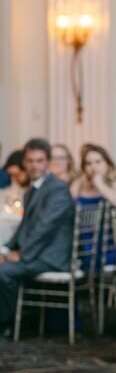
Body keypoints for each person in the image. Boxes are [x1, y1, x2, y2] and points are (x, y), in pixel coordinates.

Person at [0, 139, 75, 336]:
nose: (34, 165)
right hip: (37, 253)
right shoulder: (33, 190)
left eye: (39, 161)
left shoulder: (57, 189)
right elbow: (24, 227)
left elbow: (44, 229)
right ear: (24, 162)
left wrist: (21, 254)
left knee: (4, 272)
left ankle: (5, 325)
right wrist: (5, 250)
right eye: (30, 161)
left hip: (51, 257)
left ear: (48, 162)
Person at [71, 144, 116, 272]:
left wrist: (100, 184)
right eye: (88, 163)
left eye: (98, 162)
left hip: (110, 243)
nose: (93, 167)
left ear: (107, 163)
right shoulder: (78, 184)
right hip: (80, 243)